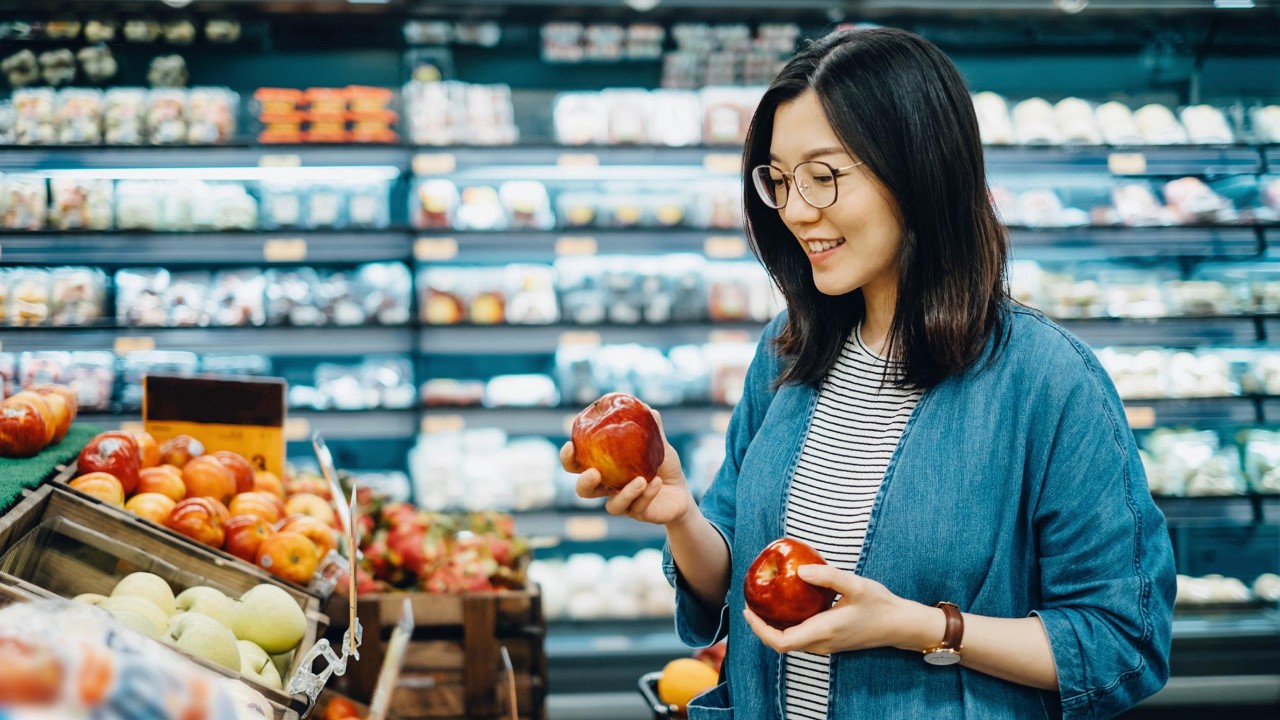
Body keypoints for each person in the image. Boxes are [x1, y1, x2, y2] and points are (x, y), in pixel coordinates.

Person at [561, 27, 1176, 720]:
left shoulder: (1047, 382)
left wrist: (921, 627)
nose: (795, 210)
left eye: (824, 177)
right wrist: (680, 518)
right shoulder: (786, 354)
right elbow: (734, 582)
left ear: (918, 168)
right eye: (781, 179)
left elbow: (1124, 640)